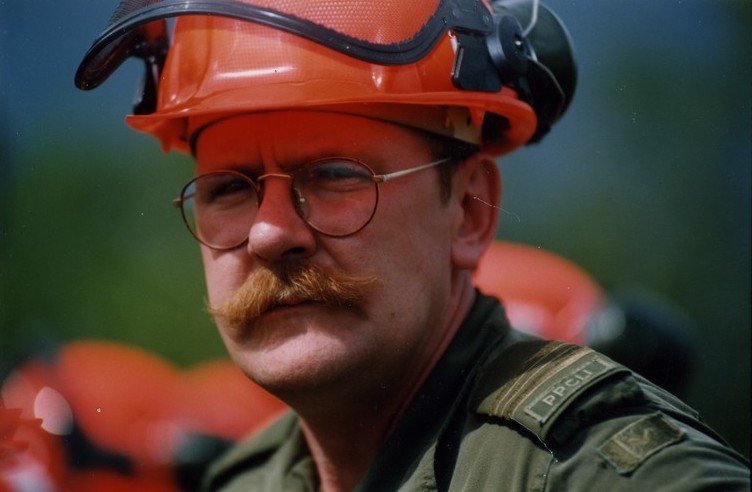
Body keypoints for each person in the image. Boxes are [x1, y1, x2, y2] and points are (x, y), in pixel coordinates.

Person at [74, 0, 750, 490]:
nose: (271, 233)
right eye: (228, 189)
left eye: (334, 176)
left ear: (471, 210)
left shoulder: (604, 477)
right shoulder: (245, 483)